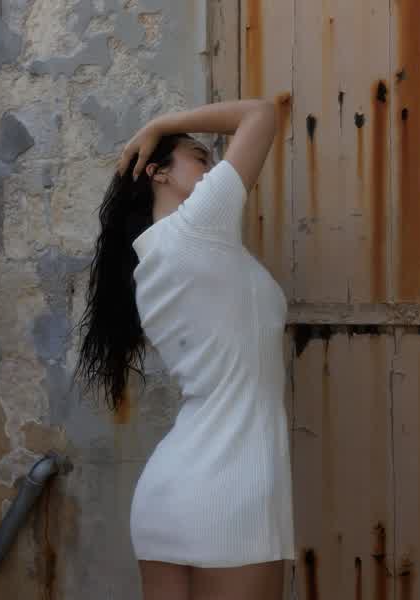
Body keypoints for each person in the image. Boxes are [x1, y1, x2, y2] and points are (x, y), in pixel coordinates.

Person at [73, 99, 296, 600]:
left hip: (171, 491)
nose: (213, 167)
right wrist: (162, 123)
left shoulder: (149, 263)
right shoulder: (198, 227)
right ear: (159, 173)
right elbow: (261, 114)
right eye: (199, 157)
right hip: (232, 486)